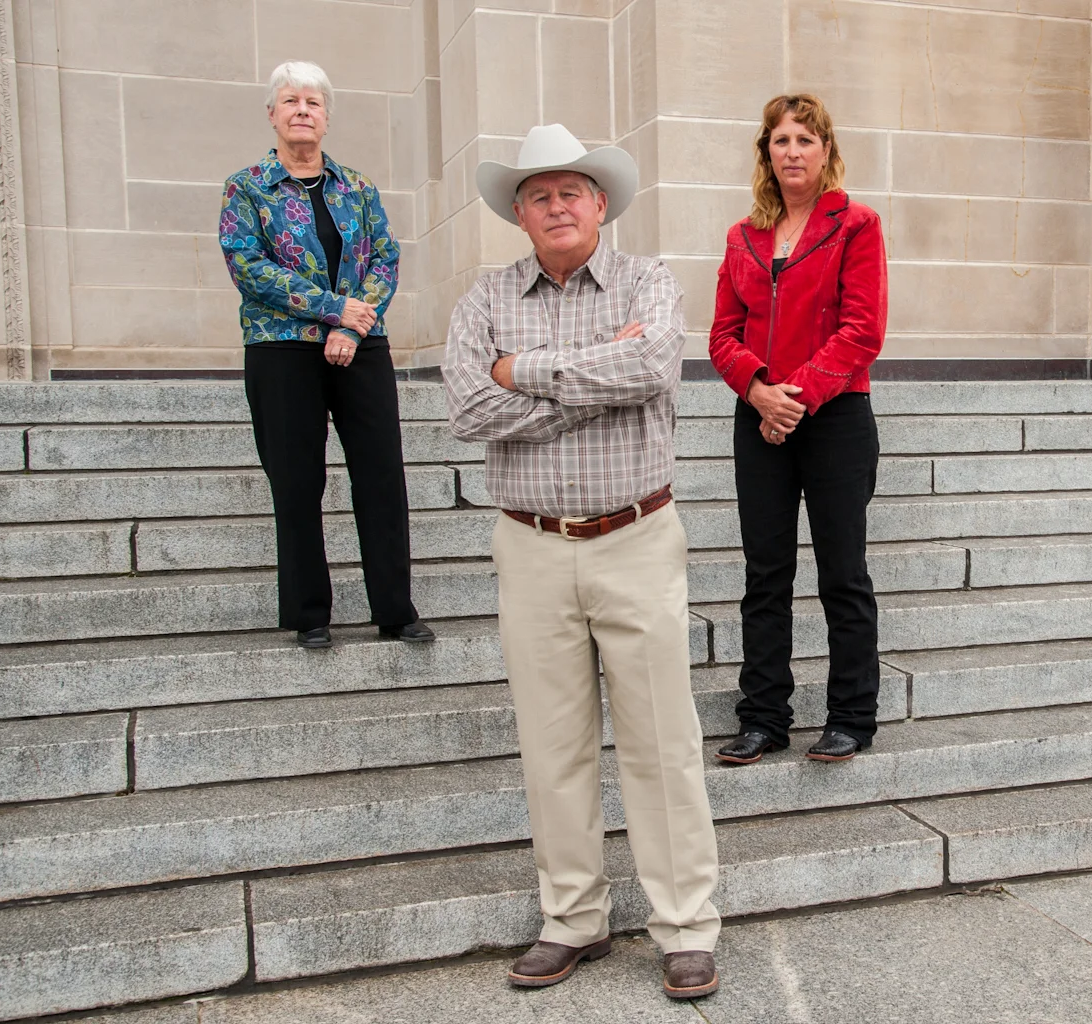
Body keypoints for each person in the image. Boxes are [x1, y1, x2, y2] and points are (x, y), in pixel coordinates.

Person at [442, 124, 721, 1000]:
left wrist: (521, 369)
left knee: (660, 743)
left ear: (600, 203)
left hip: (636, 537)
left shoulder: (647, 280)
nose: (557, 204)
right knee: (550, 745)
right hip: (529, 544)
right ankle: (573, 918)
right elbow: (468, 410)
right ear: (517, 213)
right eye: (538, 193)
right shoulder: (483, 297)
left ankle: (685, 925)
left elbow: (652, 365)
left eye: (571, 190)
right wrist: (589, 380)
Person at [219, 60, 432, 650]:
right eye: (290, 101)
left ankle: (395, 608)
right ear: (272, 115)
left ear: (327, 117)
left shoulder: (357, 188)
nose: (302, 110)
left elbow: (385, 259)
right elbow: (249, 268)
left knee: (382, 475)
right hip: (282, 350)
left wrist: (354, 326)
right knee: (296, 478)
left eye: (313, 102)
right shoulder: (247, 188)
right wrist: (334, 310)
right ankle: (310, 614)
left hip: (359, 345)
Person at [707, 93, 888, 766]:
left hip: (835, 415)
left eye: (804, 140)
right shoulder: (742, 237)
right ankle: (762, 718)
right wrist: (758, 391)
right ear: (766, 154)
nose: (791, 152)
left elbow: (862, 330)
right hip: (759, 418)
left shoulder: (856, 224)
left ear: (825, 151)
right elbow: (722, 335)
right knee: (765, 573)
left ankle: (850, 716)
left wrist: (796, 398)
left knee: (842, 573)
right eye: (780, 141)